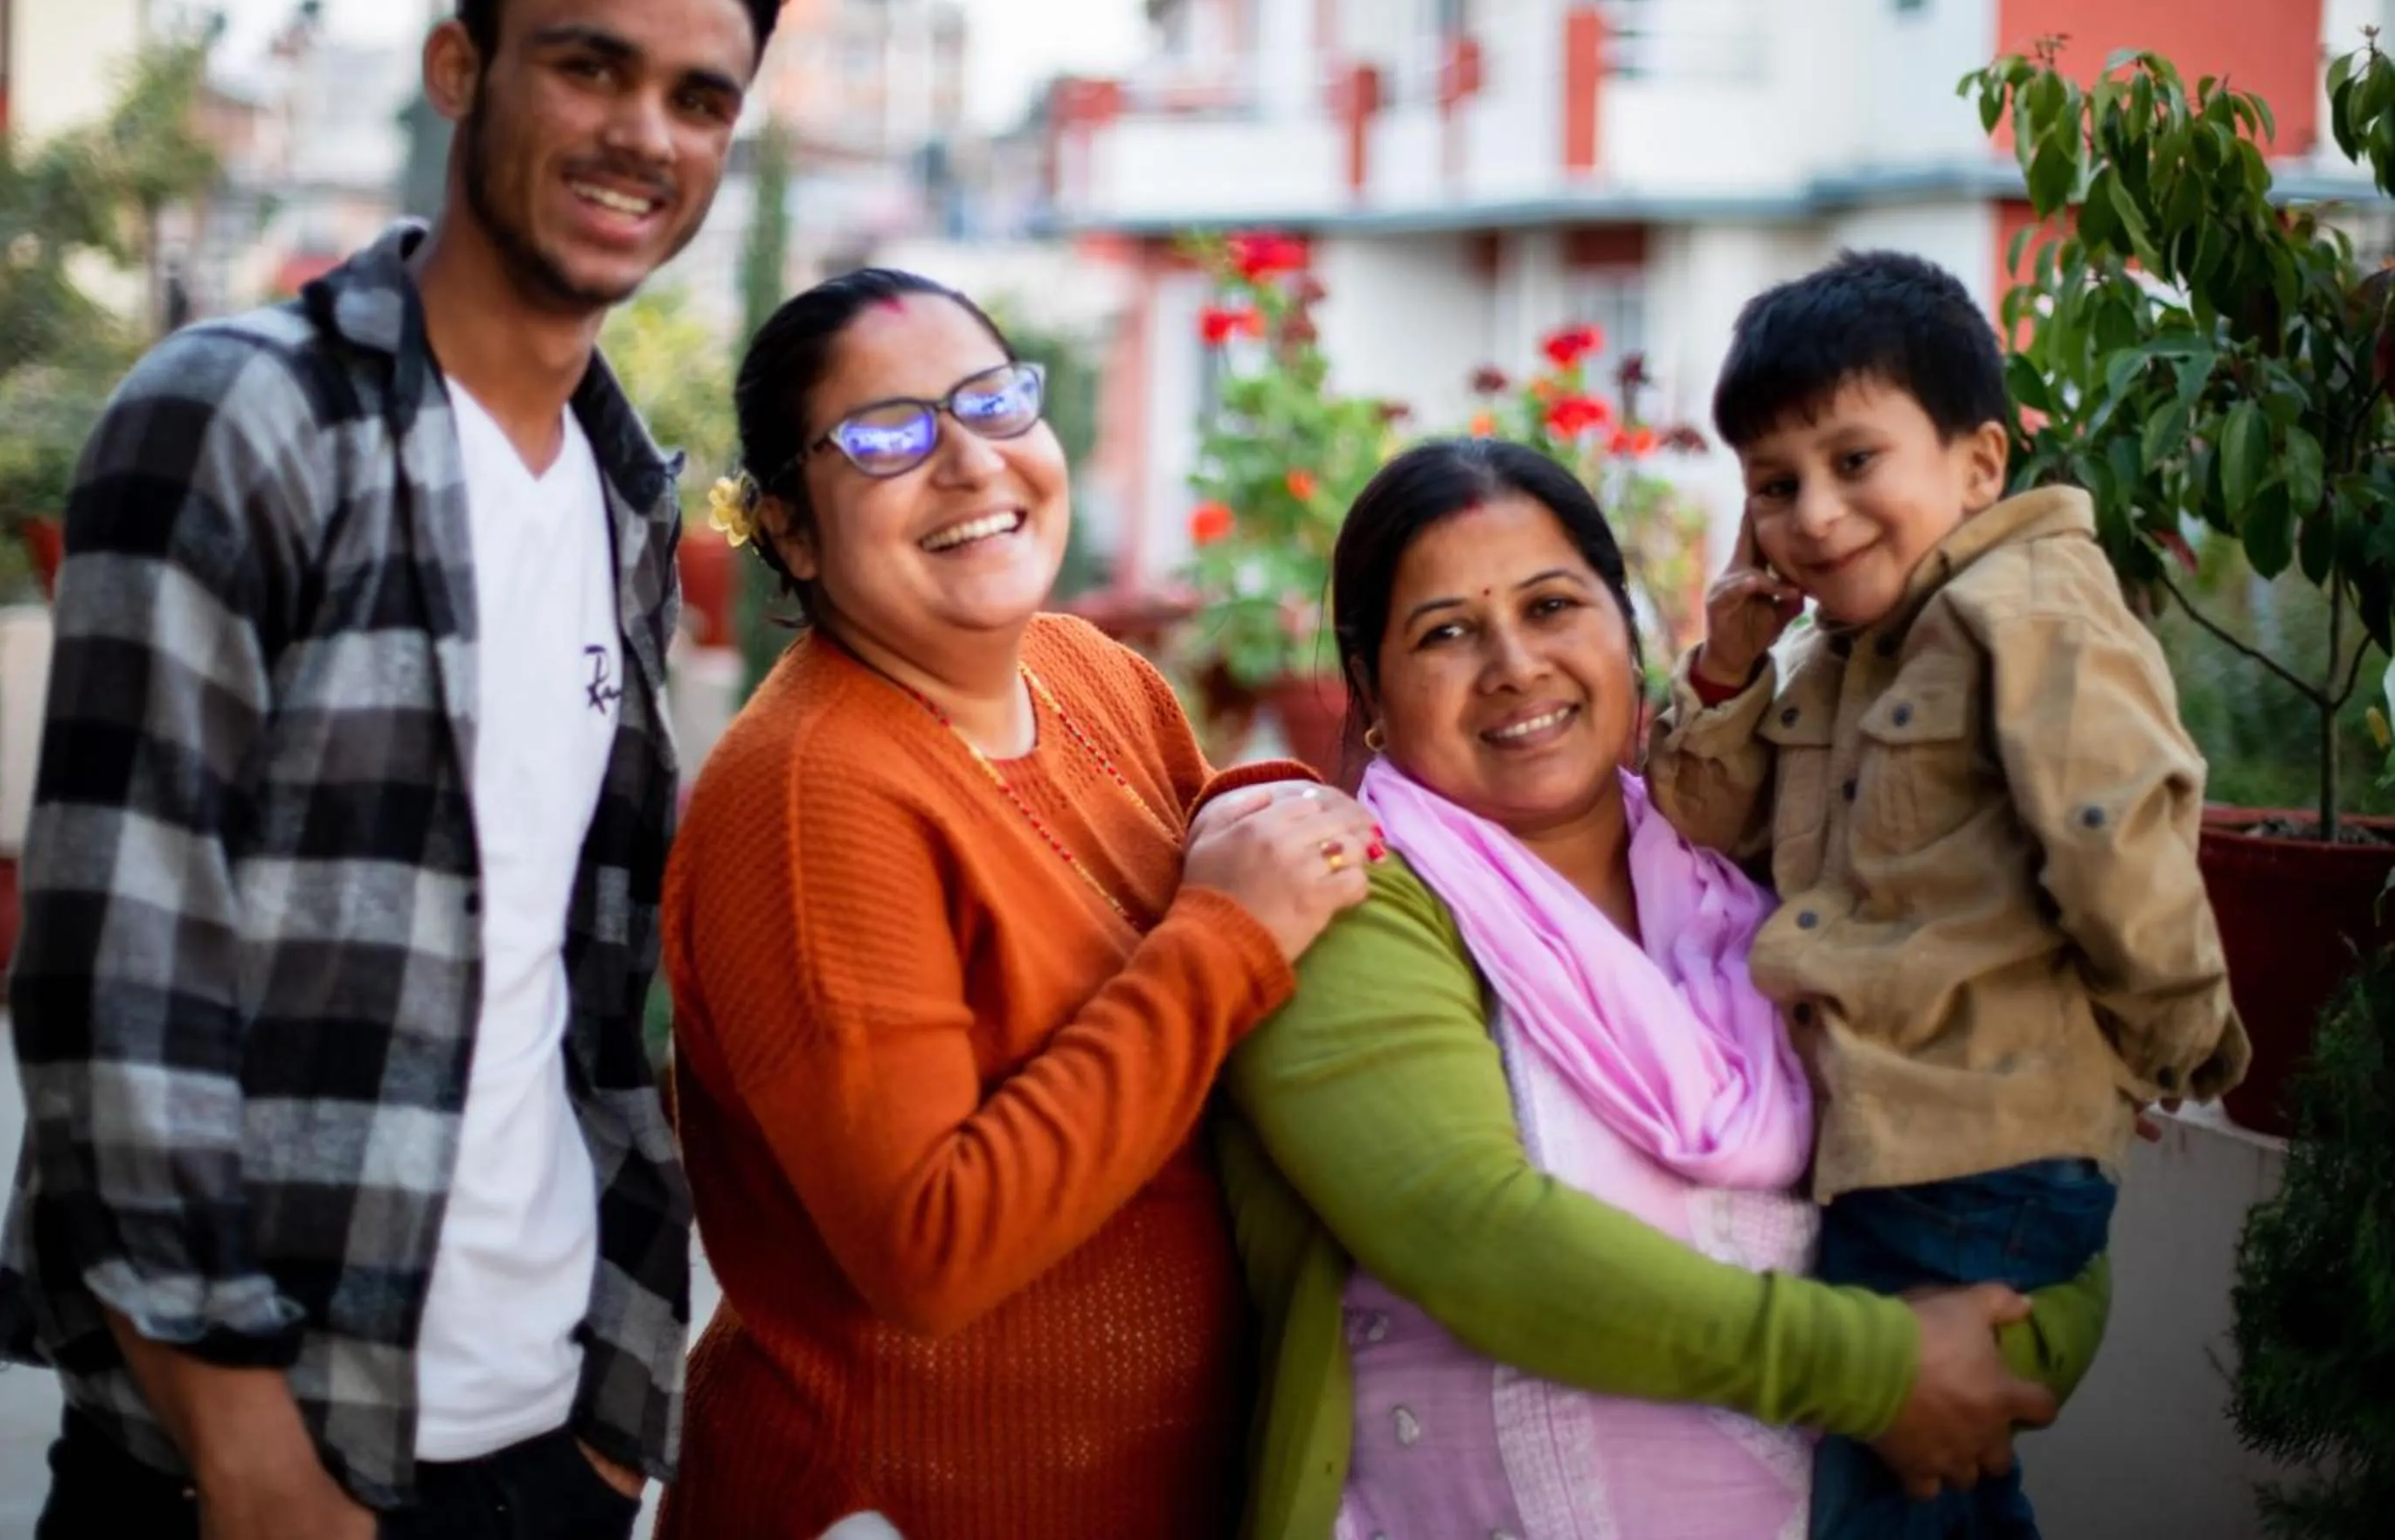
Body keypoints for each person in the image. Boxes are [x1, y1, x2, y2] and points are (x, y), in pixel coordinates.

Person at [0, 0, 786, 1540]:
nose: (647, 130)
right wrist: (250, 1456)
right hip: (255, 1458)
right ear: (459, 67)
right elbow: (113, 976)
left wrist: (613, 1432)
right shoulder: (243, 420)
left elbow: (576, 996)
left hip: (545, 1435)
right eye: (591, 64)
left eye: (701, 96)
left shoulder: (624, 496)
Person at [1219, 437, 2095, 1540]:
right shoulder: (1347, 899)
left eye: (1551, 606)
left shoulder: (1772, 882)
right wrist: (1879, 1373)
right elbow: (1478, 1236)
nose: (1514, 665)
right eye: (1446, 632)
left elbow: (2023, 1161)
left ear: (1623, 631)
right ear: (1370, 691)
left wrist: (1990, 1361)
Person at [658, 267, 1380, 1538]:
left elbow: (1194, 834)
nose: (970, 463)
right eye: (887, 436)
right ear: (792, 531)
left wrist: (1266, 813)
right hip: (887, 1505)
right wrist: (1228, 938)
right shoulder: (811, 794)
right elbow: (931, 1249)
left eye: (991, 401)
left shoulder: (1086, 671)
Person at [1652, 249, 2250, 1537]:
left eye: (1855, 462)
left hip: (1977, 1144)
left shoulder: (2027, 608)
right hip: (1898, 1142)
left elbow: (2117, 843)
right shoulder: (1833, 656)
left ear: (1979, 466)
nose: (1811, 515)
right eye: (1774, 485)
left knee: (1892, 1493)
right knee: (1930, 1488)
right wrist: (1727, 666)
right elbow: (1703, 820)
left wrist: (2159, 1048)